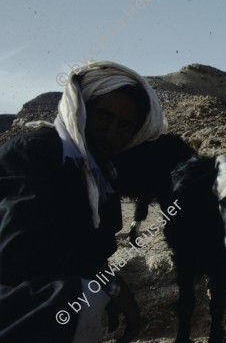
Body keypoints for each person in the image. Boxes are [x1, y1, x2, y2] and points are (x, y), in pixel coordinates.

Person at [0, 61, 168, 342]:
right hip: (12, 287)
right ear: (81, 109)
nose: (111, 133)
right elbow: (18, 249)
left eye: (125, 125)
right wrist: (109, 286)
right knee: (81, 298)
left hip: (34, 289)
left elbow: (92, 251)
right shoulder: (35, 153)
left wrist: (107, 283)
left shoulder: (99, 174)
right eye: (103, 116)